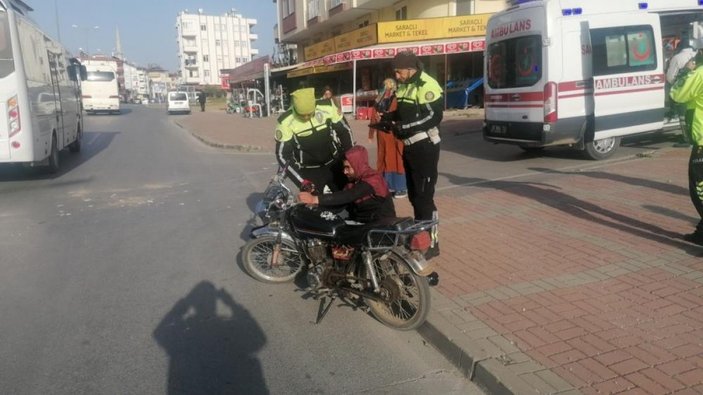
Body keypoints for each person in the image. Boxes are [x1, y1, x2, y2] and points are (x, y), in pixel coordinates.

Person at [391, 50, 443, 258]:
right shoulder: (405, 85)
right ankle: (420, 235)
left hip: (425, 147)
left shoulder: (426, 85)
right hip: (409, 147)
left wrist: (404, 126)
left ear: (410, 69)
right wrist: (389, 119)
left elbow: (433, 116)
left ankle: (432, 241)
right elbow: (402, 112)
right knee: (414, 195)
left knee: (424, 197)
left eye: (399, 72)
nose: (397, 76)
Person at [275, 87, 354, 193]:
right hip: (309, 170)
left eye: (310, 114)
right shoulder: (285, 122)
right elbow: (283, 155)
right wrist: (301, 181)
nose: (307, 117)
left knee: (348, 198)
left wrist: (351, 159)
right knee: (314, 206)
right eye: (302, 115)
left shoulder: (327, 107)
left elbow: (344, 132)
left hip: (334, 163)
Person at [298, 145, 396, 223]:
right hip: (362, 223)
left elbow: (350, 195)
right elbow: (340, 203)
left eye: (348, 167)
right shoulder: (351, 183)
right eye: (344, 168)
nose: (345, 172)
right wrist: (315, 208)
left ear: (357, 164)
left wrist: (316, 199)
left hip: (380, 225)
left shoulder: (374, 178)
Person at [670, 45, 703, 246]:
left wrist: (686, 71)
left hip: (702, 142)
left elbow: (677, 94)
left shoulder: (699, 74)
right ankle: (701, 234)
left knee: (699, 190)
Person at [368, 78, 407, 199]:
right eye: (385, 84)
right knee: (383, 158)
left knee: (396, 159)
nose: (387, 86)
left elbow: (400, 114)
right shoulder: (379, 98)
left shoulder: (397, 97)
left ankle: (400, 187)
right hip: (382, 134)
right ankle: (387, 186)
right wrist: (371, 133)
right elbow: (373, 116)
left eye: (389, 84)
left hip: (393, 134)